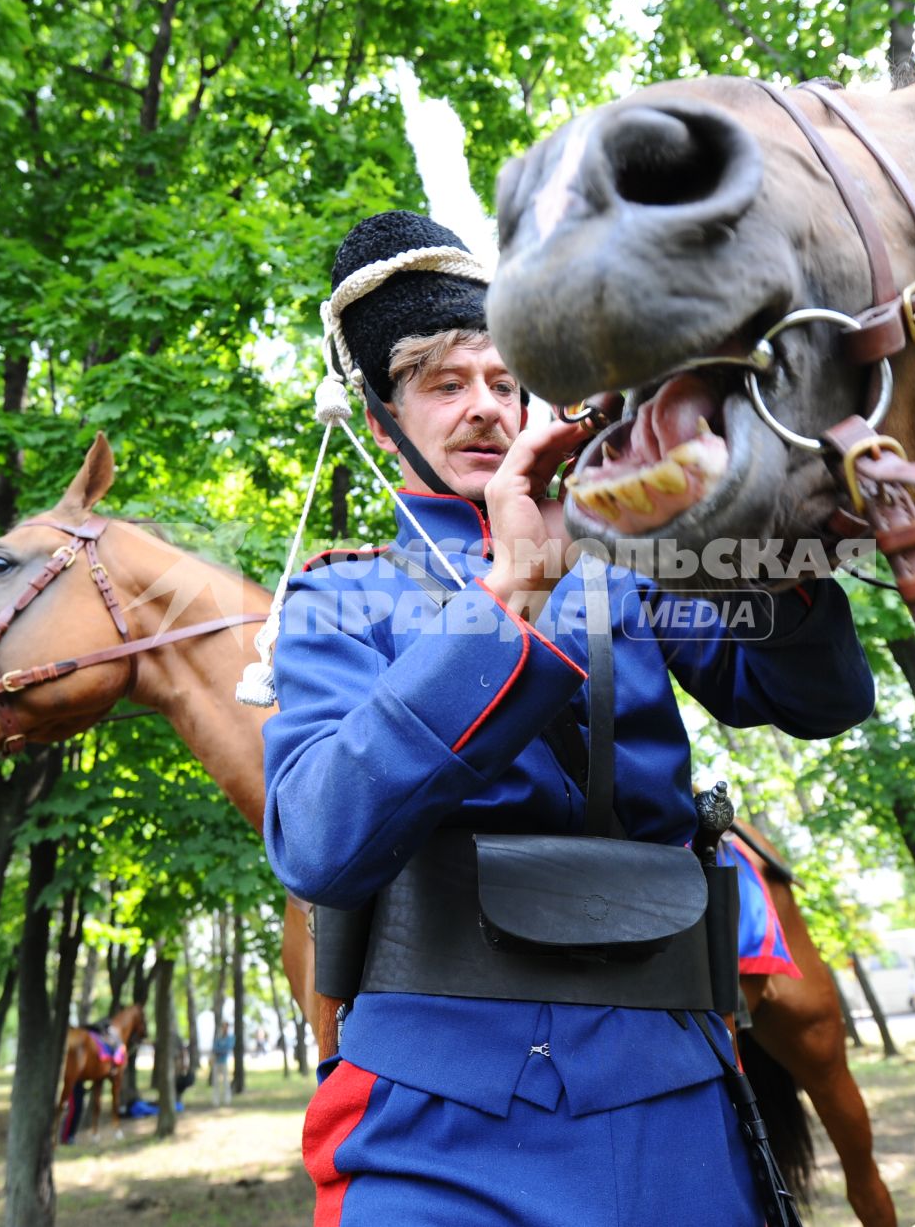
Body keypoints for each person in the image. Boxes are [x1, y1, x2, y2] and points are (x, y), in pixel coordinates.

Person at [261, 211, 875, 1225]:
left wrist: (780, 522)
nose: (483, 409)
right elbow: (319, 841)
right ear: (381, 420)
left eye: (504, 382)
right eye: (443, 384)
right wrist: (510, 595)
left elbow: (821, 696)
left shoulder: (636, 560)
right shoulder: (336, 600)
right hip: (431, 1121)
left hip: (675, 1091)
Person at [209, 1028, 235, 1106]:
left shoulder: (230, 1038)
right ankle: (215, 1101)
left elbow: (227, 1048)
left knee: (226, 1082)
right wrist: (220, 1050)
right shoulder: (218, 1038)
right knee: (215, 1082)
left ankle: (227, 1100)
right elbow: (215, 1048)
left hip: (224, 1062)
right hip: (216, 1062)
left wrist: (220, 1050)